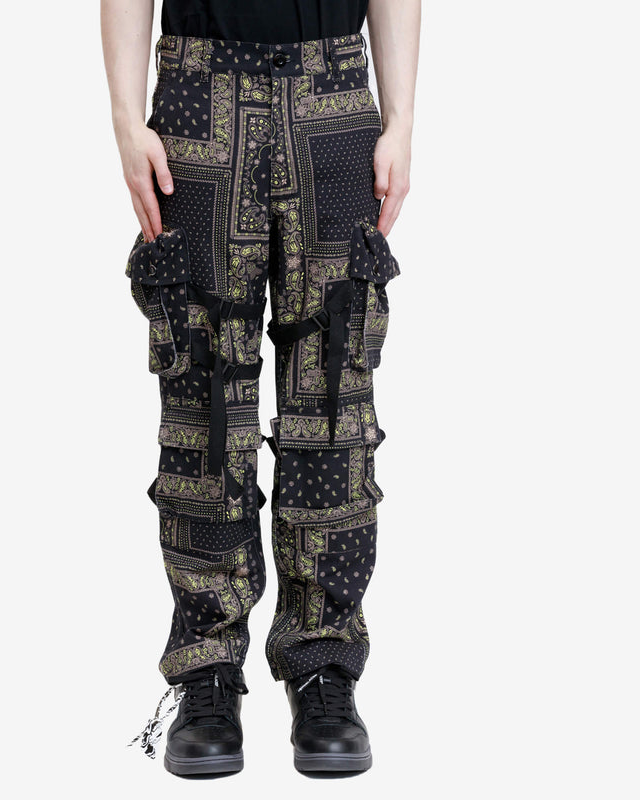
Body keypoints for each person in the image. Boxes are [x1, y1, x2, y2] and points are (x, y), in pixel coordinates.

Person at [101, 0, 420, 776]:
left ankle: (323, 665)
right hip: (196, 93)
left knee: (334, 394)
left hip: (334, 95)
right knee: (203, 397)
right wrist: (125, 117)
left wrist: (402, 117)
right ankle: (207, 669)